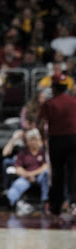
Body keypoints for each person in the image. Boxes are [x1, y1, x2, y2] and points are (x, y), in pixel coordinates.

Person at [39, 73, 76, 219]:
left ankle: (56, 207)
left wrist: (43, 140)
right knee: (74, 173)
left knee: (57, 173)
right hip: (74, 139)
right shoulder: (74, 101)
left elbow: (42, 125)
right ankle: (74, 204)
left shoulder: (49, 103)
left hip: (57, 140)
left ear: (53, 87)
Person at [6, 128, 49, 216]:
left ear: (39, 140)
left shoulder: (43, 152)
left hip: (39, 176)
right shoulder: (23, 153)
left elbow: (45, 166)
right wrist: (28, 175)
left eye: (35, 139)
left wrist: (33, 174)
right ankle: (12, 203)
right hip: (26, 177)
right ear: (28, 141)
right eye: (31, 140)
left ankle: (45, 201)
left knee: (46, 174)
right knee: (17, 185)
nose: (33, 142)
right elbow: (18, 168)